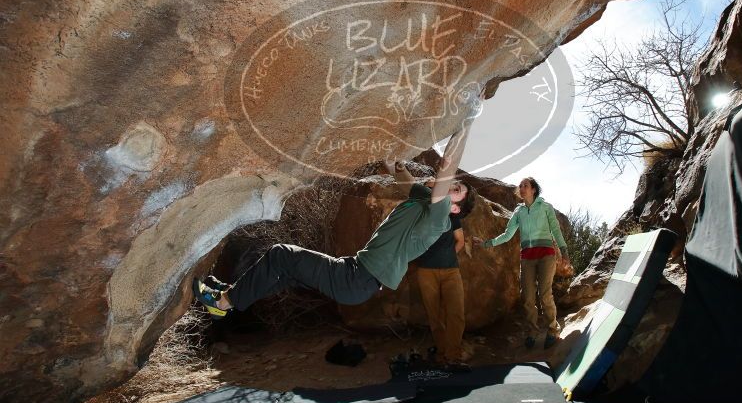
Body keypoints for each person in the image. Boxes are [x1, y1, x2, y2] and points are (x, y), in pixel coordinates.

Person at [192, 127, 476, 319]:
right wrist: (393, 155)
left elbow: (446, 169)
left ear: (453, 208)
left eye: (455, 191)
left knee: (281, 253)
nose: (448, 187)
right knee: (283, 271)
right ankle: (230, 293)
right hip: (355, 274)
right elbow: (399, 172)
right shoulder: (423, 201)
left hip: (356, 280)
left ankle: (222, 304)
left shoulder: (439, 219)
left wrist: (465, 124)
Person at [472, 177, 569, 349]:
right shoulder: (519, 212)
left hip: (546, 254)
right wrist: (486, 243)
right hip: (527, 257)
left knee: (545, 294)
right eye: (521, 185)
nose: (522, 188)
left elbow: (555, 230)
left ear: (533, 189)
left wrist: (564, 252)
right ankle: (532, 331)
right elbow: (508, 234)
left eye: (526, 185)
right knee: (527, 297)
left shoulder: (546, 207)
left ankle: (553, 329)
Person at [413, 175, 469, 370]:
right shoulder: (421, 213)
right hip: (426, 271)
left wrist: (447, 254)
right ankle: (442, 354)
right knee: (434, 315)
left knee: (456, 313)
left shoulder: (452, 215)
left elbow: (460, 241)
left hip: (451, 270)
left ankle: (453, 355)